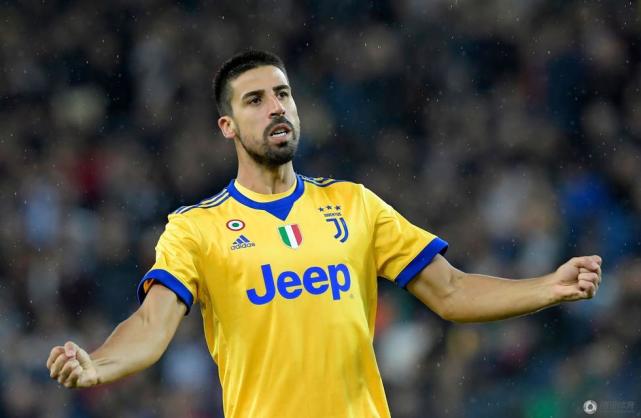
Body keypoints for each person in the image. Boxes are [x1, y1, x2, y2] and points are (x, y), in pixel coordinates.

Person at [46, 50, 602, 418]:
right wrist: (99, 365)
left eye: (283, 94)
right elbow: (151, 325)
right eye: (255, 100)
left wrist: (547, 287)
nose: (276, 108)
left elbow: (451, 291)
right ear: (227, 126)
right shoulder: (196, 229)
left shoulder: (354, 204)